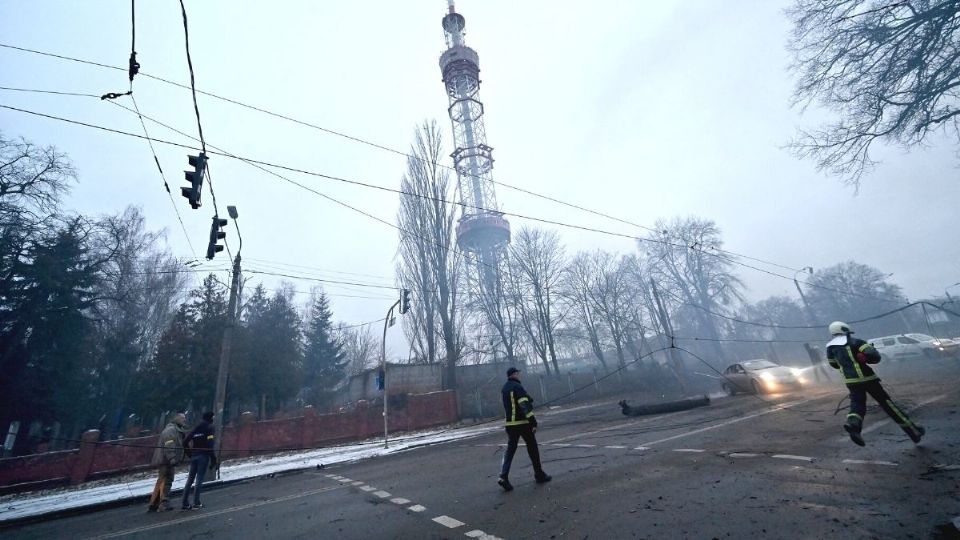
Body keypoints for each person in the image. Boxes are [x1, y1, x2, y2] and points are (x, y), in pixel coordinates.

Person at [826, 321, 925, 447]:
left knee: (857, 404)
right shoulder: (856, 342)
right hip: (868, 379)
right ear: (846, 330)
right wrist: (866, 357)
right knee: (888, 404)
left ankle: (854, 425)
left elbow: (833, 364)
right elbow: (874, 356)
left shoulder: (830, 347)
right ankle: (913, 431)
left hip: (851, 382)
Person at [498, 367, 551, 491]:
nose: (519, 375)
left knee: (510, 450)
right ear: (514, 374)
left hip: (510, 424)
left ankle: (503, 476)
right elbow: (524, 405)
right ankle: (539, 475)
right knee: (532, 447)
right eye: (518, 373)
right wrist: (533, 421)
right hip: (522, 423)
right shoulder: (517, 387)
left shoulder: (505, 388)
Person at [148, 412, 187, 512]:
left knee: (162, 481)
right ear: (176, 419)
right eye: (182, 418)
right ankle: (163, 504)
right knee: (166, 481)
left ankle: (154, 504)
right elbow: (169, 446)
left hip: (166, 460)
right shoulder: (171, 430)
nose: (184, 420)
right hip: (166, 461)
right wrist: (172, 458)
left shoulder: (175, 429)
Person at [181, 411, 217, 510]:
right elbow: (210, 445)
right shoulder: (209, 428)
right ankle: (196, 502)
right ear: (210, 418)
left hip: (194, 455)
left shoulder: (196, 428)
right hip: (203, 456)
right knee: (199, 479)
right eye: (213, 417)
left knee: (190, 480)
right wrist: (213, 459)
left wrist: (190, 454)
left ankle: (185, 503)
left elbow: (185, 442)